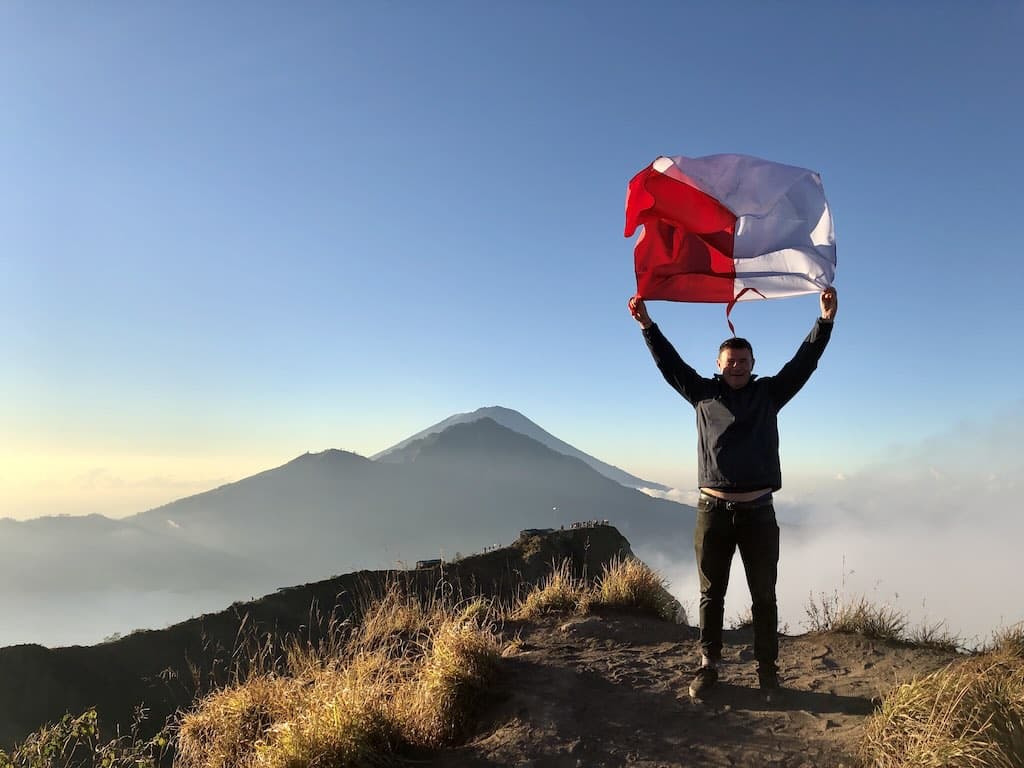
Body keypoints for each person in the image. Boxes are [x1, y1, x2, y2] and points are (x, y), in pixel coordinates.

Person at [628, 288, 838, 702]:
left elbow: (804, 363)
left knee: (764, 594)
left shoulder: (769, 394)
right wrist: (648, 326)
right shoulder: (702, 394)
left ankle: (767, 672)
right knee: (712, 594)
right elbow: (669, 365)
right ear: (719, 365)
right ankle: (709, 667)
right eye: (730, 361)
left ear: (754, 365)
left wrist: (825, 322)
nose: (737, 366)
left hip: (759, 512)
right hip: (713, 512)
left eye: (744, 361)